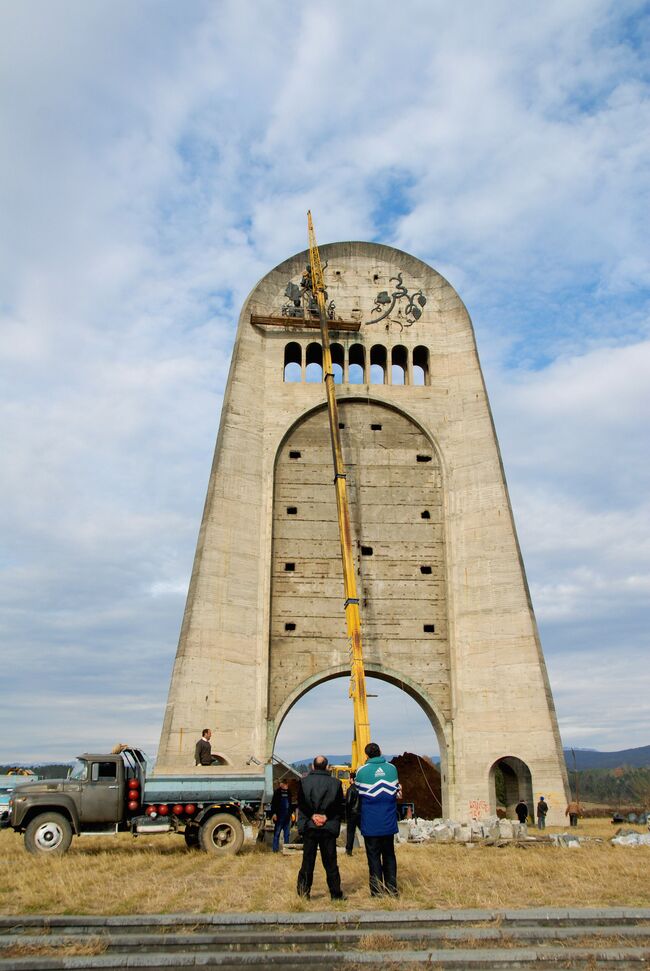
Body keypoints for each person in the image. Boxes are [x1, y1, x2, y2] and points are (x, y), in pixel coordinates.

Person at [296, 755, 345, 900]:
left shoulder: (304, 782)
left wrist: (312, 815)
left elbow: (301, 803)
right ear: (327, 767)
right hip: (328, 828)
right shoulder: (336, 783)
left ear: (312, 766)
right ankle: (335, 894)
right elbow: (339, 806)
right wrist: (326, 817)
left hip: (310, 827)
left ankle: (304, 893)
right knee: (331, 862)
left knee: (307, 862)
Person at [356, 742, 400, 896]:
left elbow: (358, 792)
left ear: (366, 754)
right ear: (380, 752)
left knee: (373, 858)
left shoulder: (362, 771)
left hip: (370, 823)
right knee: (389, 855)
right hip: (388, 822)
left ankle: (376, 892)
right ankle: (392, 889)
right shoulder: (392, 769)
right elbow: (396, 789)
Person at [270, 780, 294, 852]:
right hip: (279, 816)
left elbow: (290, 804)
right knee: (277, 833)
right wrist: (274, 814)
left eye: (287, 784)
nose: (286, 786)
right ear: (282, 784)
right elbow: (273, 803)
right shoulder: (277, 792)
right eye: (284, 784)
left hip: (287, 817)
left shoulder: (289, 792)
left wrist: (291, 813)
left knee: (286, 835)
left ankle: (286, 849)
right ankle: (275, 850)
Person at [345, 771, 360, 855]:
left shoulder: (350, 789)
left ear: (351, 779)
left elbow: (348, 802)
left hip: (352, 814)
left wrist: (347, 814)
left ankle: (349, 850)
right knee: (364, 832)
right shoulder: (360, 789)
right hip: (360, 813)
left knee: (350, 833)